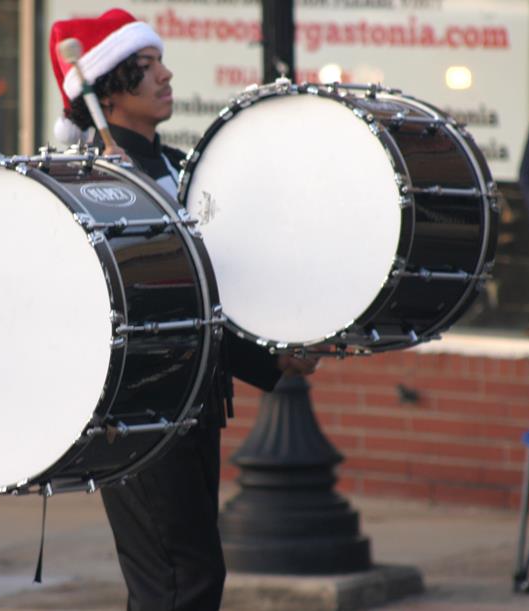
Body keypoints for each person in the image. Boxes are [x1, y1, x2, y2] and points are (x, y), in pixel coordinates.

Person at [49, 10, 318, 610]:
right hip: (139, 406)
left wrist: (275, 362)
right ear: (108, 89)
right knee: (177, 580)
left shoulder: (172, 167)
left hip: (190, 401)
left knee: (192, 575)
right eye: (147, 68)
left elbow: (198, 304)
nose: (167, 75)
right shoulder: (92, 178)